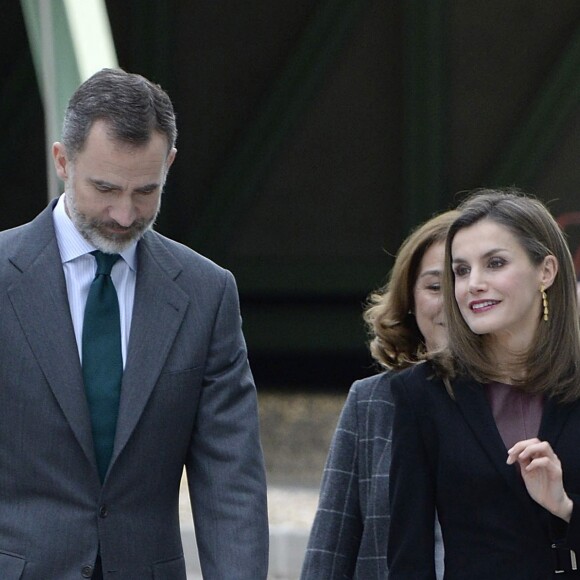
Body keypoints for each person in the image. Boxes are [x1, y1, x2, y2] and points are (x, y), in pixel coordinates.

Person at [0, 68, 268, 579]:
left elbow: (229, 480)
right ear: (62, 160)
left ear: (168, 164)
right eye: (105, 188)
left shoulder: (206, 294)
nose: (124, 215)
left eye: (146, 191)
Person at [387, 188, 580, 579]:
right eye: (461, 270)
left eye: (494, 263)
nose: (473, 283)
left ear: (546, 271)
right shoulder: (423, 392)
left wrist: (564, 506)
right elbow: (410, 555)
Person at [300, 210, 459, 579]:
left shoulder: (527, 399)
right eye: (434, 287)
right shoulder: (371, 402)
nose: (451, 301)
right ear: (409, 299)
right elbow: (331, 546)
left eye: (463, 281)